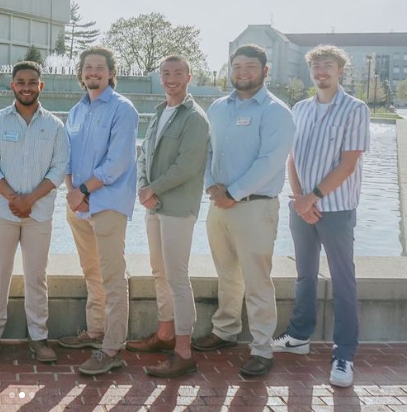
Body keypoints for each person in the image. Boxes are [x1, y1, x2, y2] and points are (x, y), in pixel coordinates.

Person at [192, 44, 295, 377]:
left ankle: (262, 349)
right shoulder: (219, 108)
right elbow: (207, 151)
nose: (242, 72)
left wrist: (233, 193)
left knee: (257, 280)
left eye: (250, 66)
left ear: (265, 71)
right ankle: (225, 331)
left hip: (254, 207)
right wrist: (212, 186)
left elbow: (270, 161)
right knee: (227, 274)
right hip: (218, 205)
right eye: (237, 66)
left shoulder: (277, 112)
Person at [272, 45, 369, 388]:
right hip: (302, 207)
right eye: (316, 66)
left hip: (337, 208)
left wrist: (313, 197)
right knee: (304, 275)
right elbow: (293, 158)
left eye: (328, 65)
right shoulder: (299, 109)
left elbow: (348, 163)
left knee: (344, 280)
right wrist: (300, 199)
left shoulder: (355, 109)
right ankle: (299, 337)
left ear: (341, 70)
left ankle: (344, 353)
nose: (321, 71)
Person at [0, 60, 69, 364]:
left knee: (36, 276)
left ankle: (39, 337)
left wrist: (30, 200)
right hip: (2, 213)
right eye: (20, 82)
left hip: (39, 214)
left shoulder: (55, 126)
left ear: (41, 86)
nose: (26, 87)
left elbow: (59, 169)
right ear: (12, 85)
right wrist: (14, 198)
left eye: (32, 82)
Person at [58, 46, 139, 375]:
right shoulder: (76, 112)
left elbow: (118, 162)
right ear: (81, 73)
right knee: (92, 273)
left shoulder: (123, 109)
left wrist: (85, 190)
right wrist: (72, 192)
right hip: (79, 205)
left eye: (99, 68)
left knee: (112, 277)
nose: (93, 72)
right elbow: (66, 157)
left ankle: (113, 347)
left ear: (110, 73)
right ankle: (95, 331)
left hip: (107, 205)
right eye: (88, 67)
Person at [127, 55, 209, 377]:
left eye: (178, 73)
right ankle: (164, 335)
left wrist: (154, 188)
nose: (171, 78)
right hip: (155, 205)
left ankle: (184, 351)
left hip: (177, 207)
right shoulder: (160, 112)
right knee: (159, 272)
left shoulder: (196, 118)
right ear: (160, 77)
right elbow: (145, 153)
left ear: (189, 77)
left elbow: (188, 165)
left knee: (177, 277)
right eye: (165, 73)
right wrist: (144, 186)